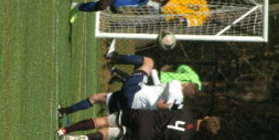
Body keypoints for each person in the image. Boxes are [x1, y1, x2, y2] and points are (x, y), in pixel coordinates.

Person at [57, 47, 197, 118]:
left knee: (149, 62)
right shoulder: (178, 103)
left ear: (185, 84)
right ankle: (63, 112)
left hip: (135, 90)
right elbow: (165, 103)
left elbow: (167, 100)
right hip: (132, 106)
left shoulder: (176, 85)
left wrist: (164, 105)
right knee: (97, 98)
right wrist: (164, 105)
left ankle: (114, 56)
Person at [56, 105, 220, 140]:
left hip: (142, 117)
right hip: (143, 134)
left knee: (103, 121)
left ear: (206, 117)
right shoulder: (186, 139)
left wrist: (160, 107)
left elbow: (163, 105)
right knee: (106, 133)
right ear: (203, 132)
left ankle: (65, 130)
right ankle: (83, 139)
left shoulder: (187, 110)